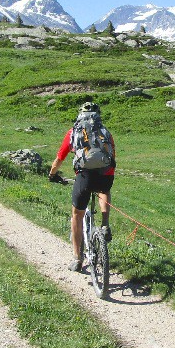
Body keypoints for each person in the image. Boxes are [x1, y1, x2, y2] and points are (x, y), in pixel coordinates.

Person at [48, 102, 115, 272]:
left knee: (76, 215)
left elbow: (60, 158)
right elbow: (112, 156)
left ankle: (77, 259)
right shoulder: (105, 132)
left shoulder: (73, 132)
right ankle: (105, 223)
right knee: (104, 191)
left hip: (84, 176)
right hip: (105, 175)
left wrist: (52, 174)